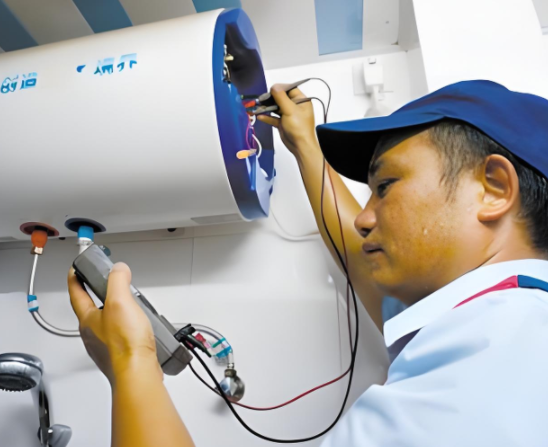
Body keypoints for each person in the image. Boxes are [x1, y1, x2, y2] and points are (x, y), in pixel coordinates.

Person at [68, 80, 548, 446]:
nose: (364, 219)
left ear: (493, 189)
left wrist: (130, 361)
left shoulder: (492, 368)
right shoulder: (497, 319)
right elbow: (359, 255)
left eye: (385, 187)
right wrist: (305, 144)